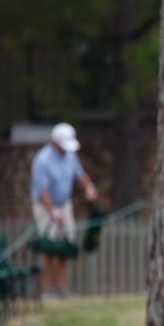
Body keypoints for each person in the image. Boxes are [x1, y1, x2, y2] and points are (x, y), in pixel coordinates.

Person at [31, 122, 98, 299]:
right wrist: (52, 211)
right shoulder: (42, 160)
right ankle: (46, 290)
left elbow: (80, 175)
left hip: (65, 204)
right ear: (55, 143)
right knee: (49, 247)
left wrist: (89, 187)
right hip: (45, 207)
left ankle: (61, 288)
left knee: (65, 246)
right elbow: (42, 191)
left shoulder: (70, 155)